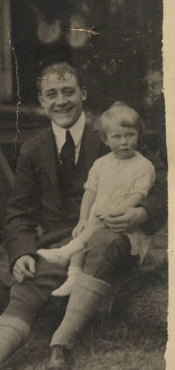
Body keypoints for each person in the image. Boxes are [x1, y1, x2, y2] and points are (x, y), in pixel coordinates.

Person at [0, 61, 166, 370]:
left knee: (100, 242)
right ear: (41, 101)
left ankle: (61, 346)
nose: (61, 101)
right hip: (60, 244)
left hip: (113, 236)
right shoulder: (33, 148)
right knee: (32, 275)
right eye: (51, 94)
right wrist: (22, 252)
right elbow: (19, 212)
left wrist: (142, 213)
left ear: (82, 93)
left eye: (68, 91)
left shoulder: (115, 134)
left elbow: (160, 188)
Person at [38, 102, 156, 297]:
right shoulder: (101, 163)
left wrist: (117, 210)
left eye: (130, 135)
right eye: (116, 137)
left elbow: (139, 194)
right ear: (106, 139)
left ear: (139, 135)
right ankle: (73, 276)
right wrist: (82, 219)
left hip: (124, 222)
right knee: (82, 231)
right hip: (97, 219)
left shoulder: (144, 166)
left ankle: (64, 253)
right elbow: (90, 192)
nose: (124, 142)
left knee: (92, 228)